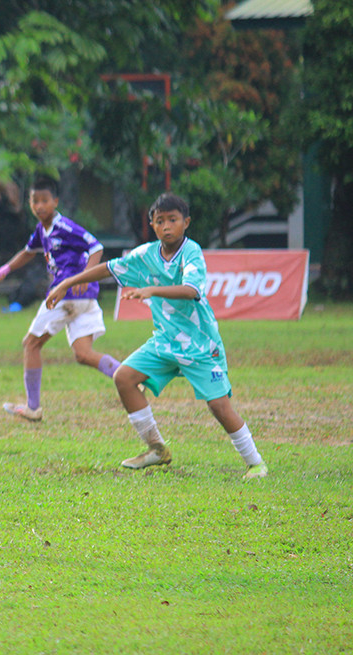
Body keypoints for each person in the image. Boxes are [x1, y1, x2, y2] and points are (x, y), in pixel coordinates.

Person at [45, 192, 268, 479]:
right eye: (160, 221)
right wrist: (66, 283)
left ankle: (256, 463)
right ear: (152, 225)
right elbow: (109, 268)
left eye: (173, 220)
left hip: (200, 345)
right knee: (124, 378)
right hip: (165, 342)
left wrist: (151, 290)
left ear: (186, 222)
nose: (166, 226)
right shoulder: (146, 255)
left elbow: (192, 290)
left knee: (219, 406)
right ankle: (156, 449)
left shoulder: (191, 252)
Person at [0, 176, 121, 422]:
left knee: (31, 344)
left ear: (55, 201)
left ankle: (33, 408)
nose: (39, 206)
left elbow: (96, 247)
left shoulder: (65, 227)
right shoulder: (42, 230)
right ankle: (130, 377)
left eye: (44, 200)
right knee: (83, 354)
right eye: (34, 201)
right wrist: (3, 270)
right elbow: (28, 252)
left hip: (66, 294)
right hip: (84, 299)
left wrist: (84, 276)